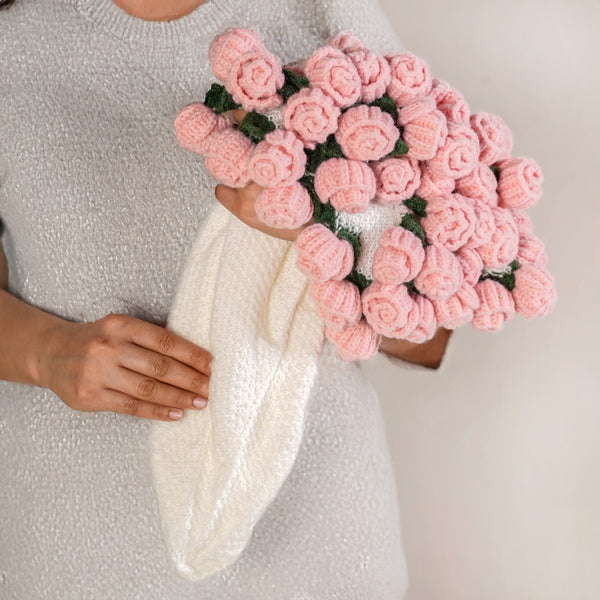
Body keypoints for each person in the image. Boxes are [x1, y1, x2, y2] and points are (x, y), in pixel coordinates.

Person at [0, 0, 452, 597]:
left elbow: (431, 337)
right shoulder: (14, 42)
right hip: (78, 547)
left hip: (315, 550)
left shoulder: (326, 15)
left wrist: (334, 237)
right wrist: (44, 351)